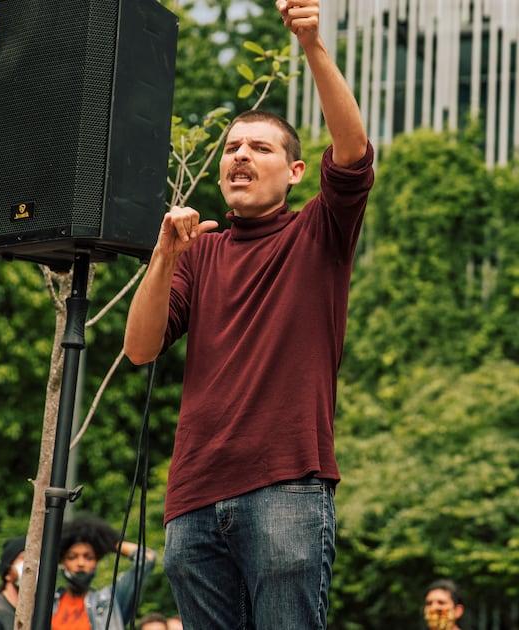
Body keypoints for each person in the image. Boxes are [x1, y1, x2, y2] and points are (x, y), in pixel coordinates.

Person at [121, 0, 371, 627]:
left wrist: (312, 45)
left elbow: (354, 149)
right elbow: (140, 349)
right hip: (192, 500)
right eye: (232, 147)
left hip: (287, 488)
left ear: (293, 172)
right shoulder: (196, 253)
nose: (239, 156)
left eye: (259, 148)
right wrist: (161, 256)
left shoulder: (318, 232)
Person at [50, 515, 156, 630]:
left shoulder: (110, 601)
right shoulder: (48, 602)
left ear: (96, 561)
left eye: (88, 557)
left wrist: (108, 543)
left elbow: (147, 558)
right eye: (72, 557)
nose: (80, 563)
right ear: (62, 562)